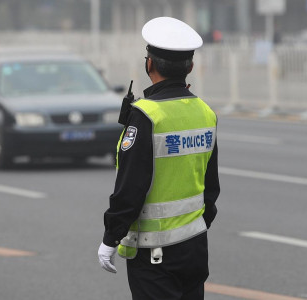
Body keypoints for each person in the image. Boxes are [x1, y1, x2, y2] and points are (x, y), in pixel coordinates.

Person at [98, 17, 220, 300]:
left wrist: (110, 238)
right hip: (194, 248)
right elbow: (210, 187)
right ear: (190, 67)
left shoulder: (146, 117)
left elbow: (130, 189)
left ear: (148, 64)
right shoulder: (205, 112)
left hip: (155, 255)